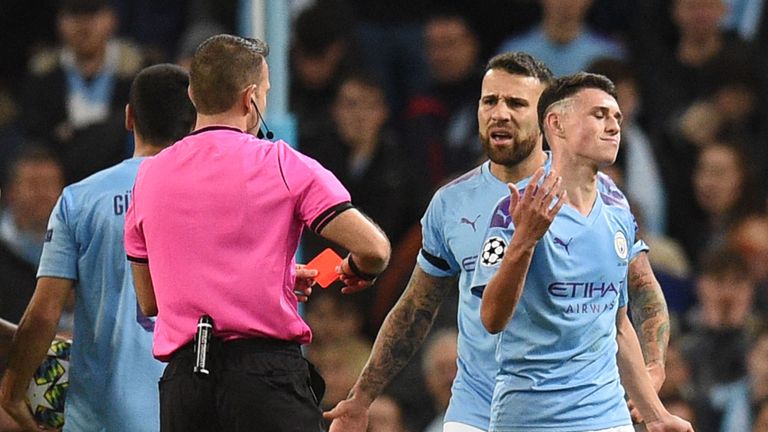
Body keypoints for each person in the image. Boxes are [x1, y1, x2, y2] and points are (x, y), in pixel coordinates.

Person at [325, 52, 670, 432]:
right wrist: (361, 397)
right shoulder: (451, 202)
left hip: (578, 409)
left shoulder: (600, 196)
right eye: (490, 101)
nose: (499, 113)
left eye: (516, 103)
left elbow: (639, 292)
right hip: (477, 409)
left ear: (547, 120)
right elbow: (415, 309)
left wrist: (653, 369)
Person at [124, 35, 391, 432]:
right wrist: (357, 268)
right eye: (265, 91)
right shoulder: (283, 164)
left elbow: (149, 301)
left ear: (194, 95)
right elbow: (374, 249)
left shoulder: (148, 177)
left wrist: (275, 278)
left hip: (185, 389)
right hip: (265, 381)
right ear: (250, 98)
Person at [472, 72, 692, 432]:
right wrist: (524, 240)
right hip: (532, 418)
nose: (613, 127)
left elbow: (617, 323)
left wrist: (657, 416)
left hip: (607, 417)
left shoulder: (618, 211)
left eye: (617, 118)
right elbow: (492, 318)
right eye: (600, 115)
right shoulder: (517, 207)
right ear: (556, 123)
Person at [0, 63, 196, 431]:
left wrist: (11, 392)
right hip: (189, 409)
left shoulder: (81, 199)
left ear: (128, 117)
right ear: (193, 123)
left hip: (101, 416)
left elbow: (43, 315)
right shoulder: (214, 201)